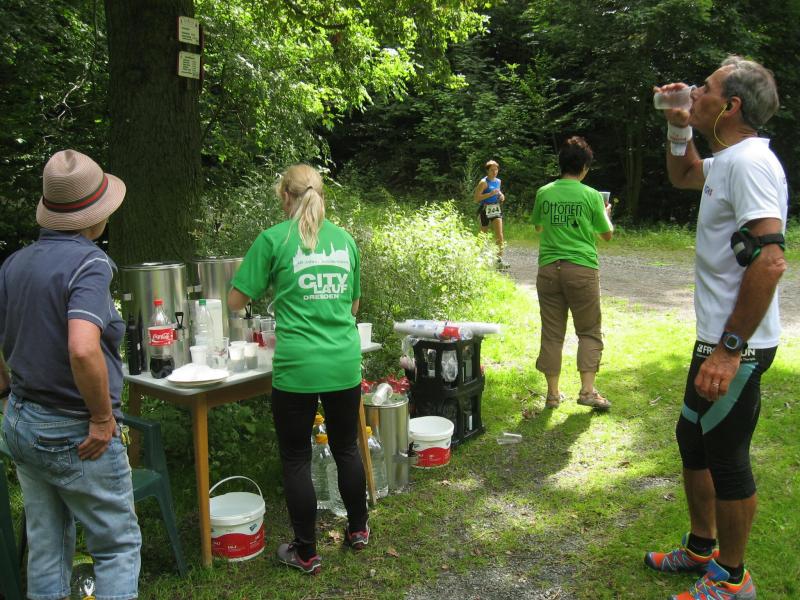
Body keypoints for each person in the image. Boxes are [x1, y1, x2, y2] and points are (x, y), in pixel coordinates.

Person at [645, 56, 787, 600]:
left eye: (703, 89)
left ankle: (732, 579)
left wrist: (729, 351)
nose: (694, 92)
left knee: (726, 457)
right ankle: (702, 548)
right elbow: (683, 174)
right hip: (717, 338)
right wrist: (678, 125)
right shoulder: (727, 160)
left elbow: (770, 260)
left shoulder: (750, 163)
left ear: (730, 106)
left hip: (738, 346)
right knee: (693, 439)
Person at [0, 150, 142, 599]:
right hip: (75, 430)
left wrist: (4, 393)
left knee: (46, 547)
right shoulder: (90, 264)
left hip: (21, 419)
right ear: (94, 217)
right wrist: (101, 418)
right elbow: (82, 348)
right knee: (117, 547)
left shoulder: (14, 264)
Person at [228, 164, 368, 575]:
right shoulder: (344, 240)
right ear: (321, 195)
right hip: (343, 361)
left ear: (285, 197)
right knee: (346, 448)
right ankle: (358, 529)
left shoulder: (274, 239)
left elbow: (235, 301)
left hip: (297, 367)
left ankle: (306, 552)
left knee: (296, 458)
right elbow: (353, 306)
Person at [531, 136, 613, 411]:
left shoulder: (544, 192)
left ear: (561, 164)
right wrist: (606, 213)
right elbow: (607, 235)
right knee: (588, 331)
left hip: (548, 269)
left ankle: (553, 395)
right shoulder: (591, 195)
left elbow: (539, 227)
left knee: (552, 333)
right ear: (585, 167)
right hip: (581, 269)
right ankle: (587, 391)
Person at [473, 160, 507, 266]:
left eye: (496, 169)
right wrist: (489, 194)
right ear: (487, 171)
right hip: (485, 209)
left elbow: (498, 192)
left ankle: (499, 260)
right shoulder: (483, 182)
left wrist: (501, 196)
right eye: (492, 170)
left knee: (499, 234)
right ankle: (477, 257)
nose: (494, 172)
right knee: (483, 234)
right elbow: (476, 199)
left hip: (495, 208)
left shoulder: (498, 181)